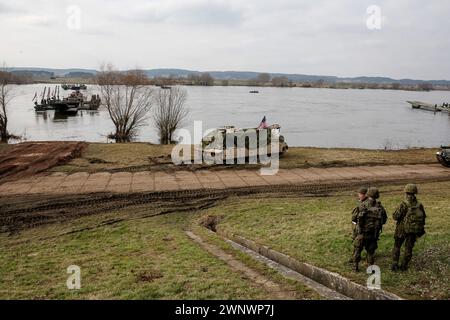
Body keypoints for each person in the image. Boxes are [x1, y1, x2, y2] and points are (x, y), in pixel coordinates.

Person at [391, 184, 426, 271]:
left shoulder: (403, 204)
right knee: (408, 248)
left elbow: (395, 216)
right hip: (413, 231)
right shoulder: (419, 205)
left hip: (401, 229)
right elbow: (423, 217)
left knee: (397, 246)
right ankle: (404, 266)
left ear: (406, 192)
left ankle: (395, 264)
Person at [352, 187, 387, 272]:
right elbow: (384, 220)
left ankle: (355, 267)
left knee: (357, 250)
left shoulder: (362, 205)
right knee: (370, 252)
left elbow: (354, 218)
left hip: (362, 233)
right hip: (373, 233)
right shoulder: (380, 207)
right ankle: (370, 268)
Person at [349, 187, 368, 263]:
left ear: (365, 195)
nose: (359, 195)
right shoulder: (364, 202)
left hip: (361, 226)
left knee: (357, 243)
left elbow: (355, 216)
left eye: (360, 194)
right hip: (361, 226)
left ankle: (355, 259)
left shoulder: (363, 204)